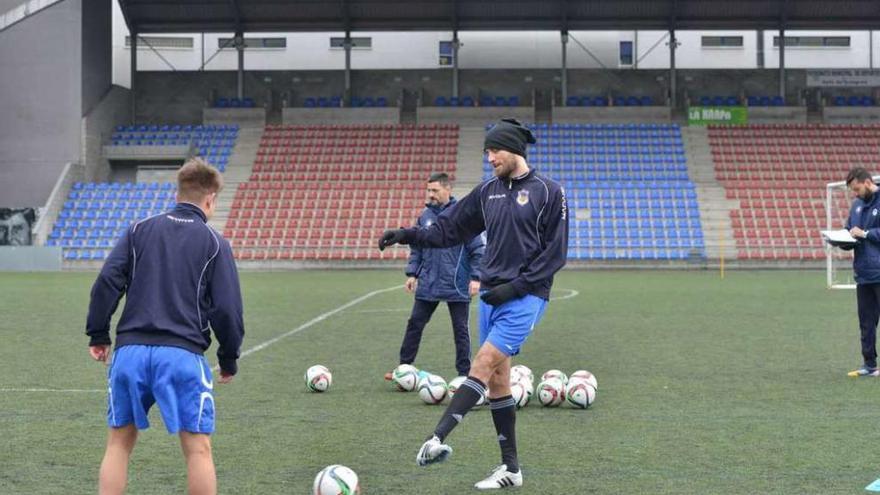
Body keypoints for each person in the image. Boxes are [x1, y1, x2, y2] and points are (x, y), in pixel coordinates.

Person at [379, 118, 568, 490]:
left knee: (481, 363)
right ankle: (511, 469)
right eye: (486, 151)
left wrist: (515, 288)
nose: (490, 157)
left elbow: (555, 255)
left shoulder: (550, 191)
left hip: (526, 296)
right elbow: (448, 229)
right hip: (492, 297)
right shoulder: (487, 192)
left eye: (494, 150)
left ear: (514, 149)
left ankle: (437, 439)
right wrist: (406, 234)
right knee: (498, 382)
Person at [85, 158, 244, 495]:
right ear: (210, 199)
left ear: (179, 191)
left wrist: (98, 333)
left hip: (130, 353)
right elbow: (227, 311)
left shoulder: (138, 229)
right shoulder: (215, 242)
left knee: (118, 445)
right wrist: (228, 358)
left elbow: (107, 283)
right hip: (182, 356)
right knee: (198, 449)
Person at [384, 172, 485, 381]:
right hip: (429, 281)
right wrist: (412, 273)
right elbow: (417, 248)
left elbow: (478, 250)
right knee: (415, 324)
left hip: (456, 283)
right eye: (428, 190)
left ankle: (464, 375)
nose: (430, 194)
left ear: (448, 189)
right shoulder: (425, 216)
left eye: (435, 190)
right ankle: (404, 369)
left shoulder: (462, 216)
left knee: (460, 330)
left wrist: (476, 278)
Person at [842, 167, 880, 377]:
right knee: (866, 322)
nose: (855, 194)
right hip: (863, 273)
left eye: (857, 189)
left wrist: (865, 233)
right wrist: (842, 240)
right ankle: (869, 365)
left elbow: (864, 234)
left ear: (867, 182)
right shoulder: (856, 205)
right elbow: (850, 230)